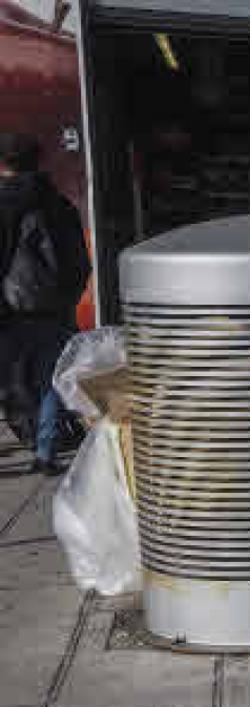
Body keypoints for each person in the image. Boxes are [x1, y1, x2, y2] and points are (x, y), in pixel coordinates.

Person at [0, 133, 90, 475]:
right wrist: (69, 295)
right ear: (38, 162)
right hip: (54, 307)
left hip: (10, 308)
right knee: (52, 379)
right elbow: (79, 260)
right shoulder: (59, 204)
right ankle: (46, 453)